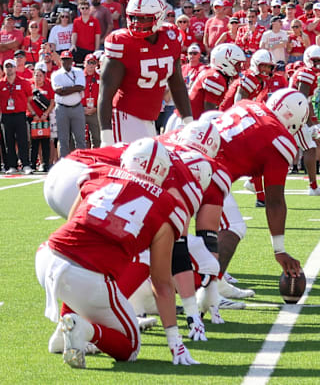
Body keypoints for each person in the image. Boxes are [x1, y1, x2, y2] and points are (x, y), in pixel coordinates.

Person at [35, 138, 199, 368]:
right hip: (83, 276)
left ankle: (64, 331)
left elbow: (71, 224)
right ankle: (85, 329)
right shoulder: (167, 205)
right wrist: (175, 340)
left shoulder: (100, 173)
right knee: (129, 347)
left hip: (46, 257)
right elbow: (162, 284)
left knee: (83, 259)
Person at [209, 89, 310, 281]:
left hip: (185, 156)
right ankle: (208, 292)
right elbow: (275, 202)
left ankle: (213, 283)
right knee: (233, 227)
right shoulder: (279, 139)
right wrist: (279, 250)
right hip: (207, 172)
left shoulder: (246, 104)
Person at [99, 0, 192, 146]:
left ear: (160, 16)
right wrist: (106, 136)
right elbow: (105, 92)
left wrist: (188, 121)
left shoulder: (171, 38)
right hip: (125, 117)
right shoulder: (122, 42)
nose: (137, 23)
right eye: (134, 17)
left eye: (144, 18)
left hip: (149, 119)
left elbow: (177, 84)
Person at [289, 45, 320, 193]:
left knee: (307, 147)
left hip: (293, 114)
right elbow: (301, 99)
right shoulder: (307, 73)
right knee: (309, 147)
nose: (319, 65)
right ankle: (313, 187)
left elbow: (306, 100)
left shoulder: (309, 73)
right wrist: (310, 123)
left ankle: (313, 186)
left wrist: (312, 120)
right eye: (316, 61)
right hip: (293, 115)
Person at [0, 58, 34, 174]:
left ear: (15, 68)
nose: (9, 69)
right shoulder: (1, 83)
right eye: (7, 66)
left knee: (23, 141)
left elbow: (29, 97)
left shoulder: (24, 82)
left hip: (20, 114)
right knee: (8, 142)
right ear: (4, 69)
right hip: (6, 116)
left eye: (11, 66)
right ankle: (12, 165)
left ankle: (25, 164)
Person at [51, 50, 87, 158]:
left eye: (68, 59)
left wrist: (65, 90)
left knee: (80, 139)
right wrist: (74, 88)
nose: (66, 62)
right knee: (63, 139)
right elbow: (58, 91)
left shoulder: (79, 71)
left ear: (72, 60)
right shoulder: (56, 74)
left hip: (77, 107)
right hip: (62, 108)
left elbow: (81, 87)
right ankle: (64, 163)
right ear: (61, 60)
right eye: (64, 60)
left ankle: (82, 162)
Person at [29, 65, 55, 172]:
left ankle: (45, 164)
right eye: (36, 75)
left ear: (44, 76)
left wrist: (45, 114)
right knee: (33, 142)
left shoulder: (48, 87)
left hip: (45, 118)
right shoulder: (30, 87)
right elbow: (27, 101)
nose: (38, 77)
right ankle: (32, 164)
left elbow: (52, 102)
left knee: (45, 142)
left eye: (40, 75)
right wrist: (34, 114)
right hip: (32, 117)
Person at [70, 0, 101, 65]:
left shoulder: (95, 21)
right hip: (79, 48)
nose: (84, 10)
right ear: (80, 9)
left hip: (91, 49)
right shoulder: (76, 21)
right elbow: (74, 34)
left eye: (86, 8)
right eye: (82, 8)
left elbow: (97, 36)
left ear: (89, 9)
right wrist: (73, 44)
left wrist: (96, 49)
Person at [83, 54, 101, 148]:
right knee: (79, 139)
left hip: (95, 111)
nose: (91, 65)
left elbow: (104, 95)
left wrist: (96, 108)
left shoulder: (100, 77)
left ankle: (97, 159)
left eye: (93, 62)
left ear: (96, 64)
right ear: (84, 64)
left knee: (97, 138)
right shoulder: (78, 77)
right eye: (89, 62)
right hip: (81, 111)